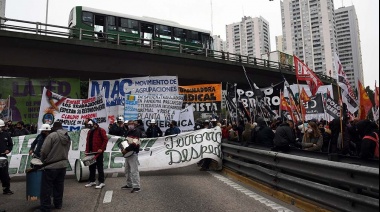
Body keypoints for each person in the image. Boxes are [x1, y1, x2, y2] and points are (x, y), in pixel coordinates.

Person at [39, 122, 71, 211]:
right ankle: (58, 204)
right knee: (59, 186)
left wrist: (43, 160)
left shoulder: (52, 136)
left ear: (54, 128)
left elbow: (44, 151)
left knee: (46, 188)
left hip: (51, 165)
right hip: (63, 165)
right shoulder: (67, 136)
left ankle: (45, 207)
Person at [84, 120, 108, 189]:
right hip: (91, 152)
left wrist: (101, 148)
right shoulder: (90, 132)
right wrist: (87, 150)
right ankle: (92, 180)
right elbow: (88, 142)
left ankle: (101, 181)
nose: (91, 127)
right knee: (91, 167)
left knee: (100, 167)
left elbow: (105, 140)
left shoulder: (101, 130)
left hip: (98, 152)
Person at [121, 120, 141, 193]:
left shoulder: (136, 132)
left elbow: (135, 143)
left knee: (134, 171)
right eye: (128, 124)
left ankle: (136, 186)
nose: (130, 125)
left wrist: (126, 150)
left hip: (133, 153)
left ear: (134, 124)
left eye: (131, 124)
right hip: (128, 153)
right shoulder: (128, 132)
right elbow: (126, 142)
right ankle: (129, 184)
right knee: (127, 170)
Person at [0, 119, 14, 195]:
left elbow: (10, 144)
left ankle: (6, 189)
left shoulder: (6, 134)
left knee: (5, 174)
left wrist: (8, 150)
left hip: (3, 157)